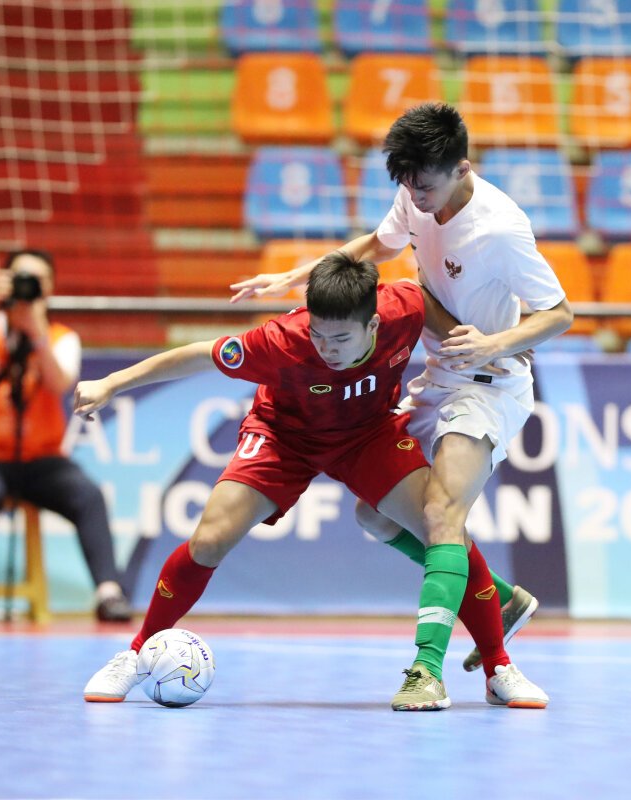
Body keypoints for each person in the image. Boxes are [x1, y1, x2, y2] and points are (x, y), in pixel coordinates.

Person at [77, 253, 548, 710]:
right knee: (210, 539)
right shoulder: (280, 341)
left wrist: (491, 345)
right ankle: (135, 654)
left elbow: (426, 300)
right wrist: (110, 384)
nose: (327, 349)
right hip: (283, 436)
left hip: (367, 436)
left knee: (440, 523)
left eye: (341, 338)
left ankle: (498, 668)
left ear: (373, 324)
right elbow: (199, 355)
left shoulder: (403, 308)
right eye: (319, 335)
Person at [230, 102, 573, 704]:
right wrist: (292, 279)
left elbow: (560, 313)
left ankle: (429, 671)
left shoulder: (501, 228)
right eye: (407, 184)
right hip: (440, 375)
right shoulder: (415, 193)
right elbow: (377, 245)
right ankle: (498, 595)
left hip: (489, 382)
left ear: (462, 168)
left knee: (442, 512)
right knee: (375, 516)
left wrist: (495, 342)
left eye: (426, 186)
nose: (415, 196)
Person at [0, 249, 133, 623]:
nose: (26, 286)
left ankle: (109, 593)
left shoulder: (60, 337)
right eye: (19, 277)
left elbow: (60, 383)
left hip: (39, 459)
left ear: (50, 289)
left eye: (37, 280)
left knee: (88, 495)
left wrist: (36, 333)